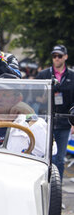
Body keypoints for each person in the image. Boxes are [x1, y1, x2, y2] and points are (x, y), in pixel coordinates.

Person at [35, 44, 74, 180]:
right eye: (54, 56)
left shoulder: (72, 76)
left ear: (65, 57)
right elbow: (33, 95)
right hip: (45, 120)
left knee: (59, 159)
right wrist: (42, 98)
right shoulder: (43, 74)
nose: (56, 58)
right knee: (44, 156)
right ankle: (44, 183)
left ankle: (57, 186)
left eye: (59, 56)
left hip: (64, 122)